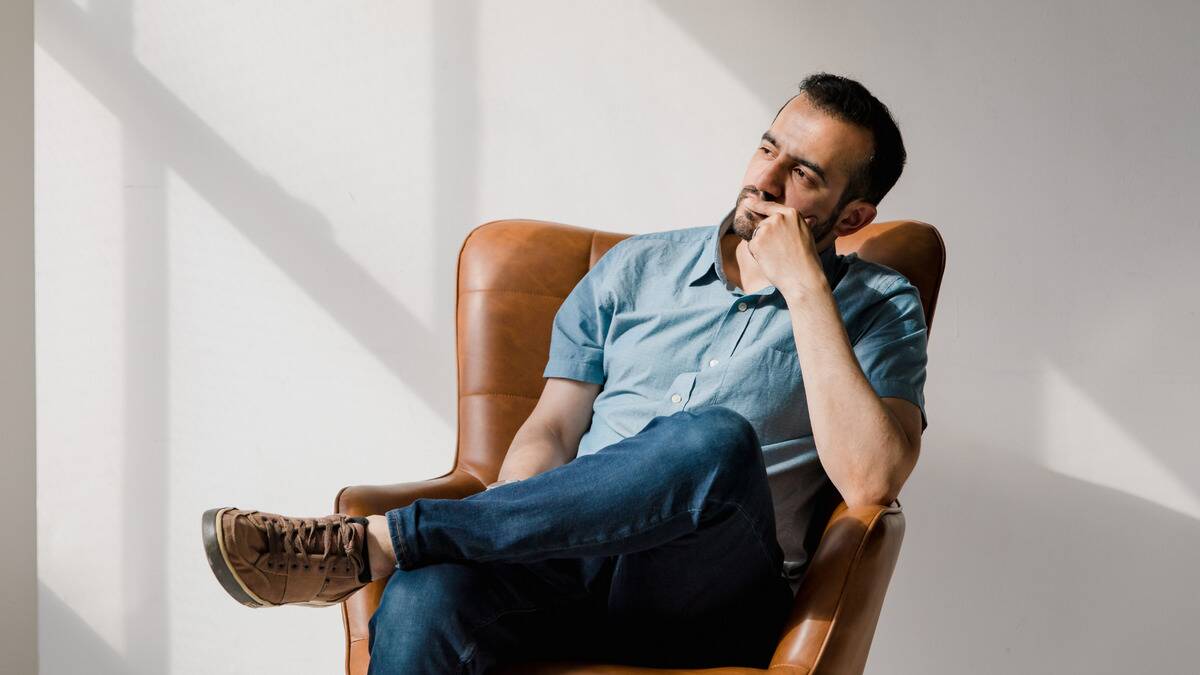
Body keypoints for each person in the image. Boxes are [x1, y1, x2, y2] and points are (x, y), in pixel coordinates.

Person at [200, 72, 928, 673]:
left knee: (713, 440)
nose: (764, 179)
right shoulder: (636, 270)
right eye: (767, 148)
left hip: (702, 596)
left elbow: (873, 479)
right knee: (425, 594)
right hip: (566, 568)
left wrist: (803, 287)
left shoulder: (876, 304)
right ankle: (410, 548)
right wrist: (504, 530)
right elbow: (550, 427)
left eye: (802, 174)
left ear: (853, 213)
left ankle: (378, 541)